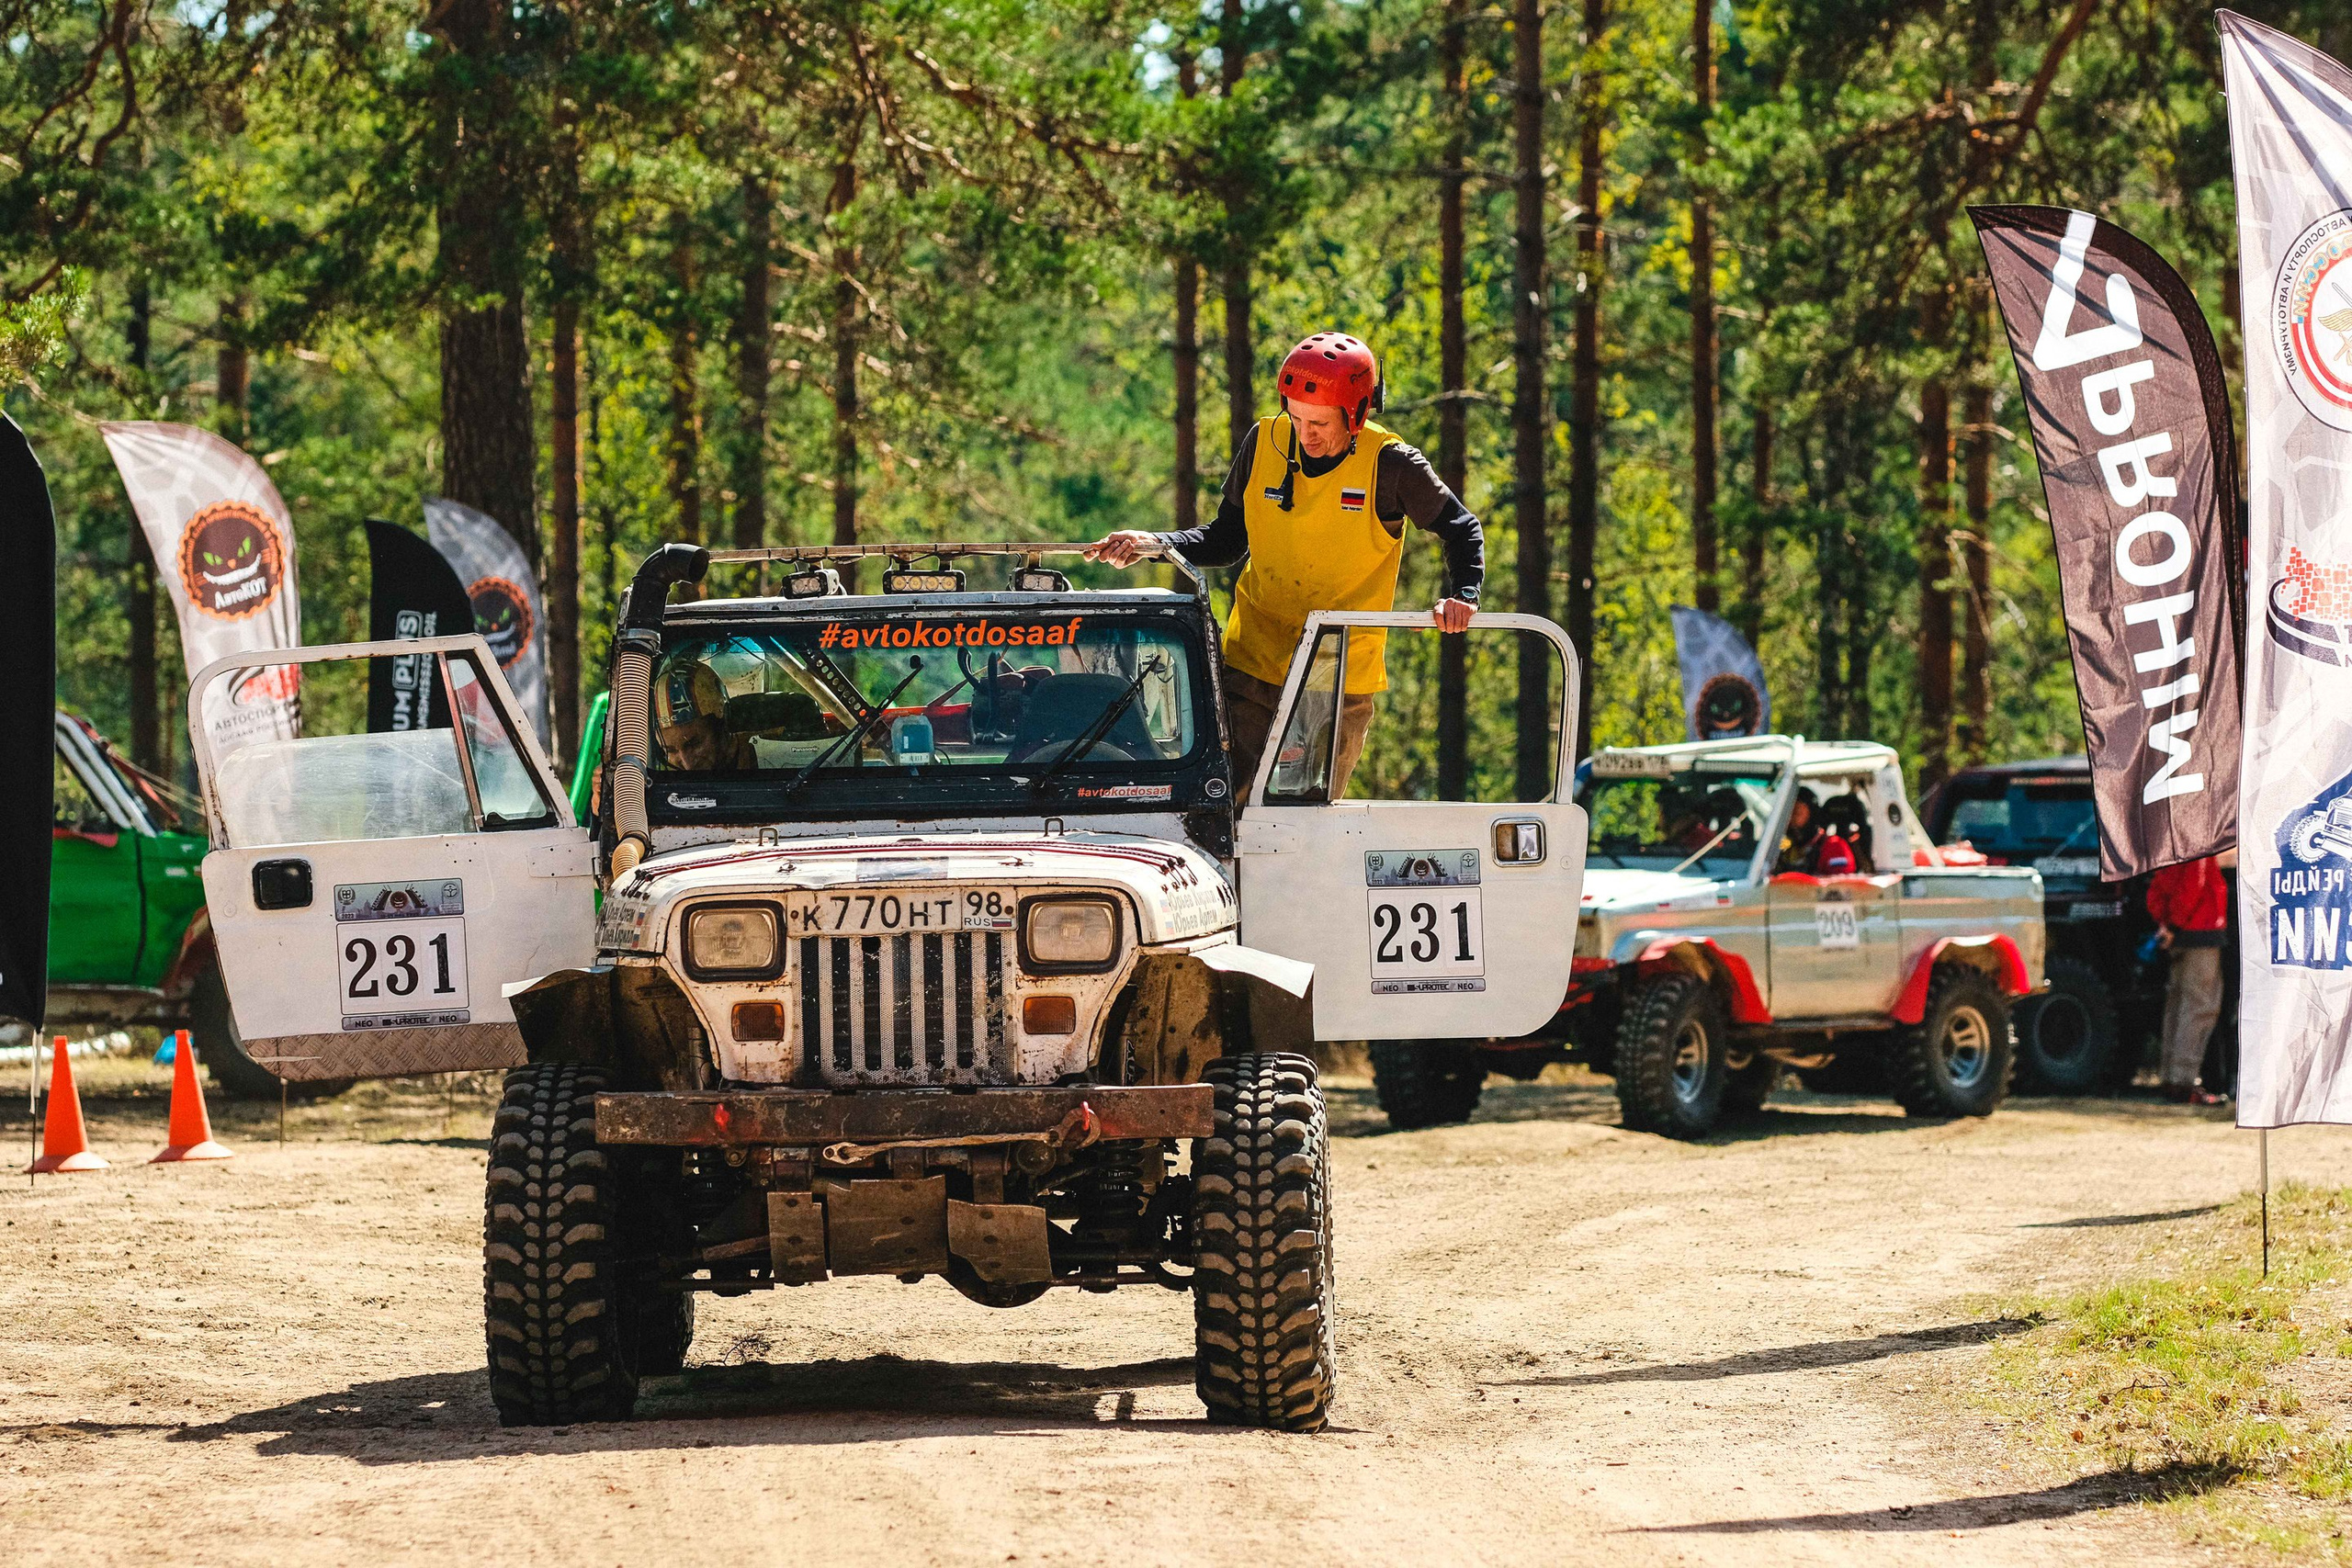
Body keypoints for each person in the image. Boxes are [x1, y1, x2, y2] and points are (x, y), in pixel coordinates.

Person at [1086, 332, 1483, 797]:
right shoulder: (1263, 441)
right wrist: (1155, 543)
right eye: (1295, 418)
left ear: (1356, 413)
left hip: (1336, 676)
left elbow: (1462, 528)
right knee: (1220, 802)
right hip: (1253, 660)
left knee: (1302, 816)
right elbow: (1227, 540)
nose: (1304, 434)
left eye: (1319, 422)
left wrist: (1463, 596)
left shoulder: (1392, 465)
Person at [2146, 851, 2232, 1104]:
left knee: (2177, 1007)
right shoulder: (2198, 844)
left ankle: (2171, 1077)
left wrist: (2166, 924)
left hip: (2178, 935)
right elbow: (2195, 882)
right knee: (2199, 1008)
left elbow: (2156, 890)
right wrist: (2175, 924)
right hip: (2201, 931)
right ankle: (2183, 1081)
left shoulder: (2169, 846)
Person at [655, 660, 759, 772]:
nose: (688, 765)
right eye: (670, 750)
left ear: (723, 726)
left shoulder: (767, 757)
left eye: (695, 744)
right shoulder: (657, 775)